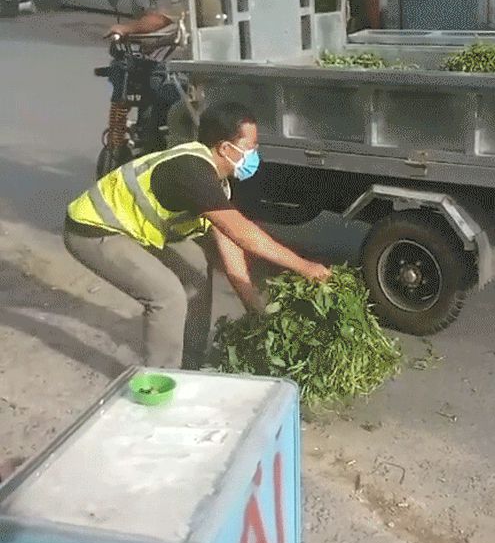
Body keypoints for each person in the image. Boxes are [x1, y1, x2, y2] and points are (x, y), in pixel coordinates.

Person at [64, 102, 330, 370]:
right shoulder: (191, 172)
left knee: (198, 270)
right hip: (94, 231)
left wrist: (253, 305)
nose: (255, 154)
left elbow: (231, 242)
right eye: (251, 147)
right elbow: (245, 233)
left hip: (136, 229)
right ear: (226, 148)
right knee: (167, 296)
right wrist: (305, 266)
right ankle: (163, 378)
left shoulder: (216, 180)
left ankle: (191, 362)